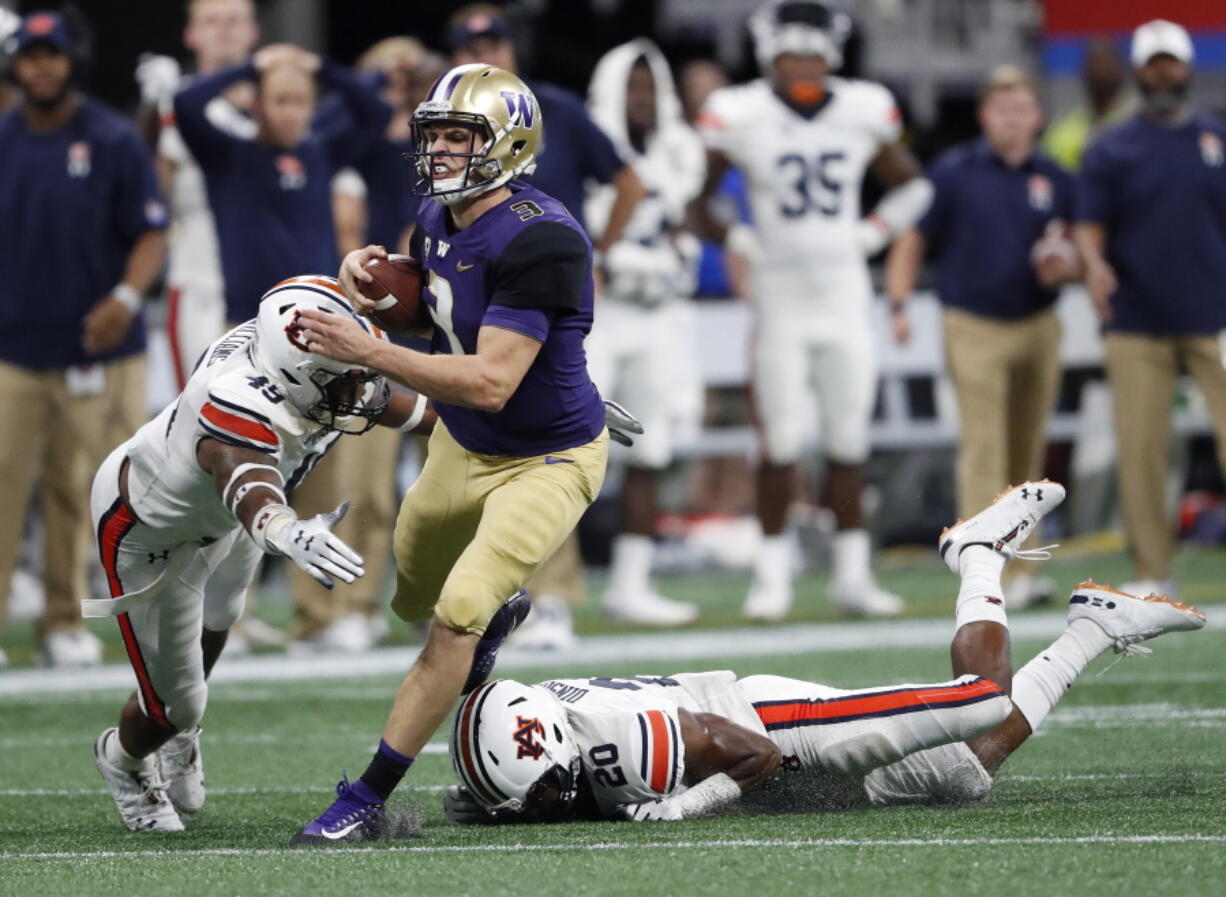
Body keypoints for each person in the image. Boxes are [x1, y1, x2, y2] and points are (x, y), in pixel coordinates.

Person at [442, 481, 1205, 824]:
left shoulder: (624, 749)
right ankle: (1096, 627)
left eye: (544, 793)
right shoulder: (527, 725)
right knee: (962, 777)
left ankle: (977, 552)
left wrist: (684, 805)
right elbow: (482, 701)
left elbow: (751, 757)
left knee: (982, 699)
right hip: (750, 742)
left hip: (774, 730)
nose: (549, 804)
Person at [291, 63, 610, 844]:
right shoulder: (438, 217)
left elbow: (491, 379)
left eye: (459, 137)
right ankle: (494, 611)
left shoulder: (543, 239)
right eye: (434, 136)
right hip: (461, 446)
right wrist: (379, 289)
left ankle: (365, 798)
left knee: (453, 616)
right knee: (412, 593)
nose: (439, 152)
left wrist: (364, 347)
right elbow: (441, 308)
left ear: (509, 143)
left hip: (548, 457)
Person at [89, 276, 431, 833]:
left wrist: (532, 427)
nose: (361, 389)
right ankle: (122, 758)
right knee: (176, 705)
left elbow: (407, 407)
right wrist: (286, 530)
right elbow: (245, 481)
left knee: (223, 614)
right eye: (345, 379)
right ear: (301, 373)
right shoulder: (234, 401)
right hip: (151, 533)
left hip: (221, 516)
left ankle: (182, 737)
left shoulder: (300, 360)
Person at [690, 0, 933, 621]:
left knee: (850, 438)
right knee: (780, 441)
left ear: (831, 56)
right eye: (791, 54)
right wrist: (740, 240)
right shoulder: (741, 113)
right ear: (771, 55)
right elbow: (696, 199)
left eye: (813, 54)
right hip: (780, 301)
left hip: (844, 294)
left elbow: (914, 186)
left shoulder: (862, 108)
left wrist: (872, 234)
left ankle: (853, 573)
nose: (803, 65)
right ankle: (772, 577)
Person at [446, 3, 647, 644]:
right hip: (471, 297)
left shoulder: (554, 108)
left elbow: (628, 179)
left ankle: (552, 595)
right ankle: (476, 592)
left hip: (540, 296)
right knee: (464, 445)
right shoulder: (446, 126)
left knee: (549, 437)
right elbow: (427, 218)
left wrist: (603, 249)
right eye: (473, 44)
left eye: (495, 41)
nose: (488, 51)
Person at [0, 10, 167, 667]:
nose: (43, 67)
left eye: (54, 55)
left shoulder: (112, 137)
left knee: (85, 488)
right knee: (4, 487)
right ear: (16, 62)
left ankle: (64, 619)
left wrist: (127, 296)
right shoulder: (4, 139)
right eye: (32, 55)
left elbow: (152, 230)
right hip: (13, 349)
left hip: (98, 353)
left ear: (74, 61)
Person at [885, 66, 1080, 609]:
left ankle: (1025, 571)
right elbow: (913, 239)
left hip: (1039, 321)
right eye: (1002, 110)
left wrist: (1068, 268)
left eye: (1021, 109)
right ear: (984, 116)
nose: (1012, 120)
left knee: (1029, 451)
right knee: (985, 446)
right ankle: (986, 575)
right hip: (972, 323)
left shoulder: (1056, 178)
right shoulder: (955, 171)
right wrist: (899, 303)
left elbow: (1081, 245)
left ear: (1037, 116)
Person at [1074, 19, 1226, 598]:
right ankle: (1153, 570)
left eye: (1172, 62)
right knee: (1141, 451)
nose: (1164, 72)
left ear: (1188, 68)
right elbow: (1089, 227)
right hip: (1136, 316)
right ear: (1140, 71)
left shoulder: (1215, 136)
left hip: (1215, 315)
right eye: (1154, 62)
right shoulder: (1112, 146)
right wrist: (1094, 264)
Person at [581, 40, 706, 631]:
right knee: (566, 446)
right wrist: (615, 257)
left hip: (656, 314)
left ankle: (631, 585)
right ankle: (544, 586)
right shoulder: (587, 141)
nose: (640, 100)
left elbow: (683, 221)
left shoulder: (678, 149)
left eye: (649, 87)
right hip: (597, 314)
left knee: (650, 449)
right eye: (630, 88)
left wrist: (678, 253)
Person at [172, 43, 390, 327]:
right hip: (249, 321)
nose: (291, 113)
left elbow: (377, 113)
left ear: (313, 105)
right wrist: (252, 66)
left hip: (318, 316)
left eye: (300, 102)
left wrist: (322, 67)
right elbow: (185, 103)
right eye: (280, 101)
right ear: (257, 105)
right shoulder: (226, 157)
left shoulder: (323, 153)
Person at [136, 0, 260, 390]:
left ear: (253, 31)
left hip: (272, 273)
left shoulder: (281, 102)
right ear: (190, 34)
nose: (223, 30)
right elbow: (152, 197)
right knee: (200, 409)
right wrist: (150, 121)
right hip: (199, 276)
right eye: (211, 21)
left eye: (234, 20)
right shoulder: (175, 104)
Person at [1041, 37, 1134, 172]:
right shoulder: (1062, 133)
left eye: (1108, 63)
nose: (1100, 70)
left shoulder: (1137, 126)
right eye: (1094, 64)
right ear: (1082, 72)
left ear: (1123, 71)